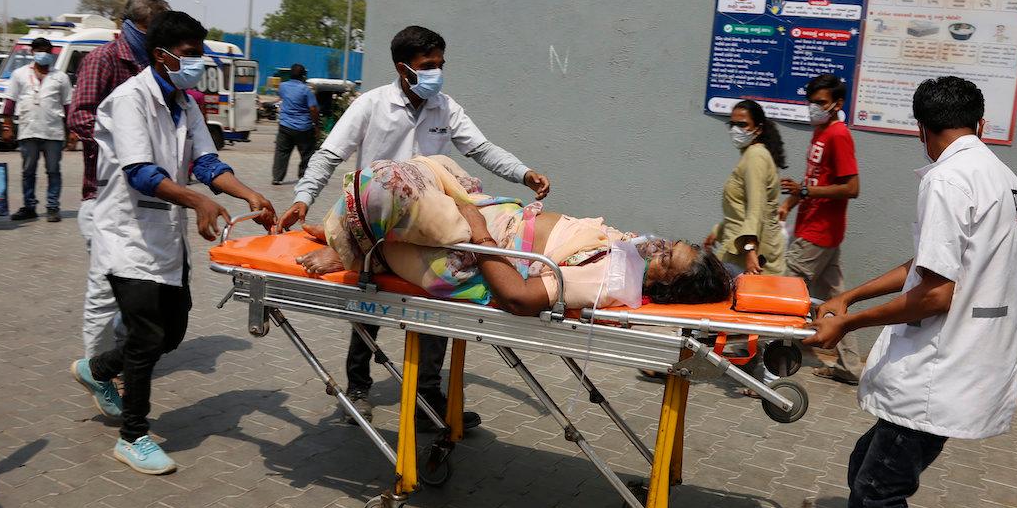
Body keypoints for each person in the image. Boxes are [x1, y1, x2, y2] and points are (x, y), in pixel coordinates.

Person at [775, 76, 1017, 508]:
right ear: (980, 124)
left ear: (921, 131)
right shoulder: (1004, 179)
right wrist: (853, 295)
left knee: (880, 491)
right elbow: (925, 264)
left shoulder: (947, 178)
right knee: (867, 465)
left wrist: (846, 324)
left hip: (942, 368)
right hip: (971, 363)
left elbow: (935, 294)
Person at [278, 25, 551, 429]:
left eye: (440, 65)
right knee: (367, 304)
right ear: (402, 67)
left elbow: (481, 148)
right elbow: (329, 154)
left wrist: (523, 173)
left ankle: (427, 397)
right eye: (427, 66)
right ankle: (357, 389)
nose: (436, 73)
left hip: (429, 230)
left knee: (436, 308)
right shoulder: (371, 105)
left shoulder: (445, 107)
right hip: (375, 228)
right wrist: (303, 198)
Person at [69, 11, 275, 475]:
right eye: (188, 54)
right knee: (145, 337)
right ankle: (133, 436)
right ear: (160, 56)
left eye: (199, 53)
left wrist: (249, 194)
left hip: (165, 234)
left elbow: (205, 162)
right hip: (126, 233)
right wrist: (197, 203)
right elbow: (140, 173)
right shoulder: (129, 100)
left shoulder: (185, 102)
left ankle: (96, 368)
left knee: (173, 333)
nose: (196, 62)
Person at [294, 155, 730, 314]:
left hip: (471, 247)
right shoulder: (631, 253)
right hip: (490, 218)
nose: (658, 247)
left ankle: (354, 250)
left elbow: (518, 298)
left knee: (387, 182)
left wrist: (480, 232)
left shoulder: (612, 281)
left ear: (667, 285)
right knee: (435, 165)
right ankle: (357, 238)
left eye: (666, 258)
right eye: (670, 244)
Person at [68, 0, 169, 358]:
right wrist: (128, 141)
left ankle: (121, 360)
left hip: (148, 198)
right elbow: (79, 116)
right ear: (132, 26)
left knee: (140, 287)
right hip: (104, 194)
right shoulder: (104, 59)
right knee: (107, 288)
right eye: (152, 29)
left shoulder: (156, 66)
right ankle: (97, 368)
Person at [780, 74, 863, 384]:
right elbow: (813, 181)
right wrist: (791, 203)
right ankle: (850, 368)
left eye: (820, 103)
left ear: (837, 104)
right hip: (818, 231)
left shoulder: (839, 135)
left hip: (818, 234)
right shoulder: (821, 132)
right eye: (810, 102)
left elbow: (852, 188)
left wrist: (805, 193)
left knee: (783, 300)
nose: (813, 108)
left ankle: (773, 370)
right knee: (834, 301)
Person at [705, 99, 787, 277]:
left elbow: (756, 208)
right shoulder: (751, 154)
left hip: (752, 256)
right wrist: (718, 231)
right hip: (737, 248)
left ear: (758, 128)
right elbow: (740, 208)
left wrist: (750, 250)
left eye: (742, 124)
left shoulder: (755, 156)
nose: (736, 130)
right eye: (732, 124)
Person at [4, 37, 72, 222]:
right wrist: (7, 125)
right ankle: (29, 206)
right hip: (28, 129)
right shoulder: (19, 74)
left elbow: (68, 105)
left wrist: (72, 131)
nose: (43, 54)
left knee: (53, 170)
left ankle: (52, 207)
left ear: (51, 54)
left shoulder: (60, 77)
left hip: (53, 131)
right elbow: (10, 101)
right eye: (39, 50)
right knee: (28, 171)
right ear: (32, 52)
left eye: (46, 51)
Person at [271, 63, 319, 185]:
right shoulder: (306, 90)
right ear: (303, 76)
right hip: (303, 128)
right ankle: (303, 176)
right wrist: (316, 125)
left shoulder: (282, 86)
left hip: (285, 126)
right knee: (307, 153)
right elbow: (313, 109)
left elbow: (282, 99)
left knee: (282, 152)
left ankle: (277, 177)